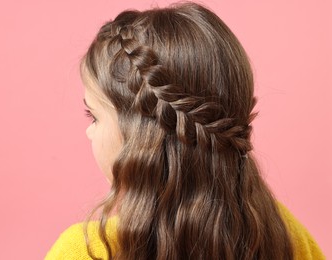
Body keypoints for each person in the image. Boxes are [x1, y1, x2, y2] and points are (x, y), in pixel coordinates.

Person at [45, 2, 325, 259]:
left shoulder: (85, 251)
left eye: (93, 116)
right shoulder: (285, 235)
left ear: (142, 135)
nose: (89, 133)